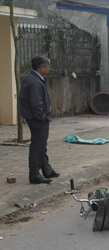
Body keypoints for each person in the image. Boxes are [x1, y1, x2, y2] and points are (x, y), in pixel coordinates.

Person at [19, 56, 60, 184]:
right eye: (48, 66)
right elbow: (36, 103)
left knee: (40, 145)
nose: (49, 69)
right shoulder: (35, 82)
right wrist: (41, 118)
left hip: (33, 118)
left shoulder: (30, 78)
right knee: (38, 147)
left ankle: (47, 170)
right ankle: (35, 175)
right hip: (37, 119)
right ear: (42, 67)